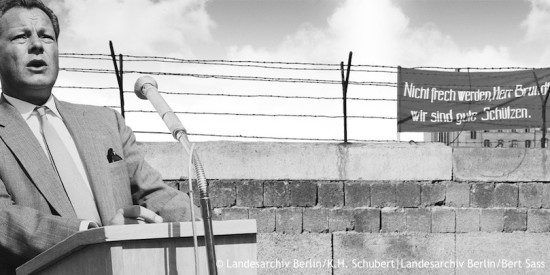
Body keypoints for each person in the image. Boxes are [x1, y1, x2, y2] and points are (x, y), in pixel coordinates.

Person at [0, 0, 197, 273]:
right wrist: (93, 235)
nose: (37, 45)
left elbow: (154, 193)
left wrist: (206, 228)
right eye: (21, 36)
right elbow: (3, 219)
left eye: (46, 36)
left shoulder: (106, 122)